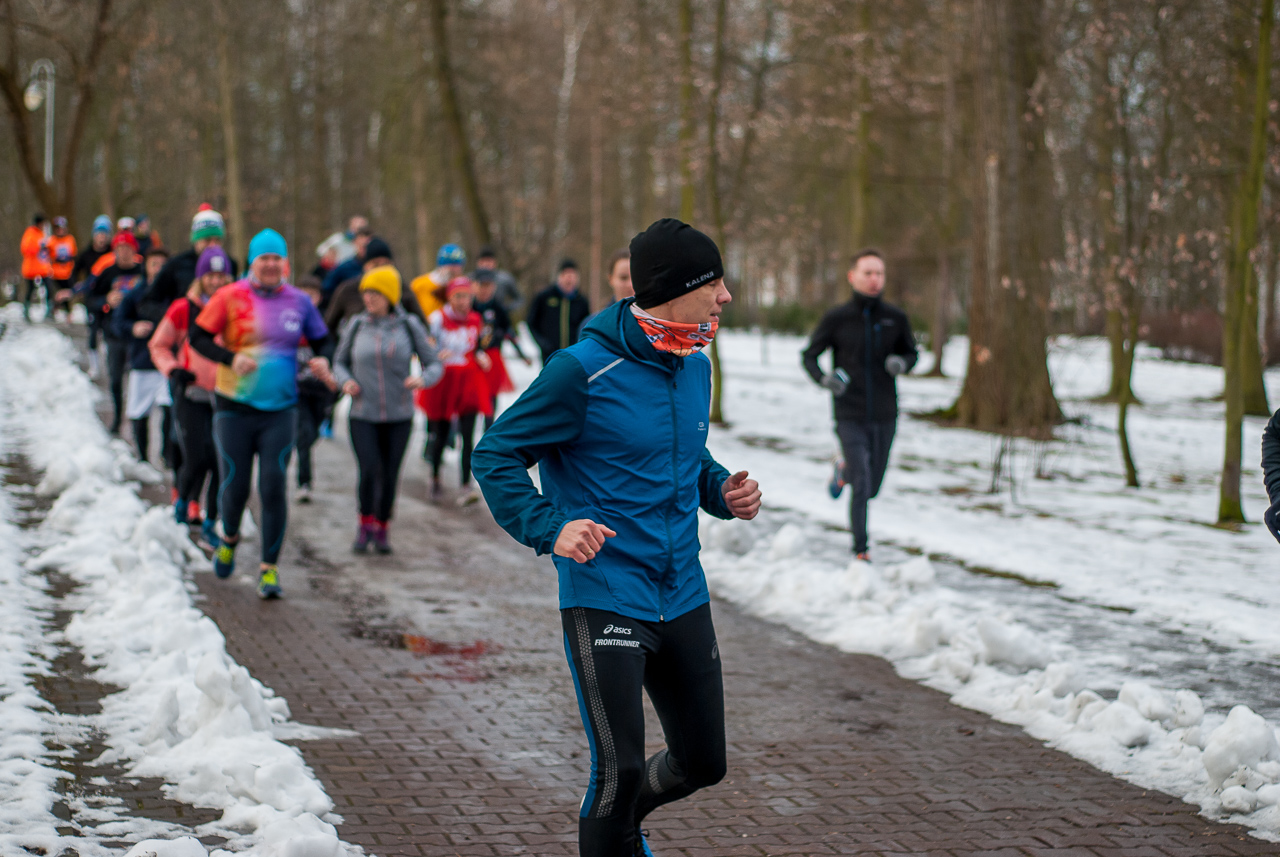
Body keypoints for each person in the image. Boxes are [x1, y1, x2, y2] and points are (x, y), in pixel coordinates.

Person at [473, 218, 761, 857]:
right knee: (619, 770)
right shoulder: (580, 371)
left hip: (681, 588)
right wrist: (552, 526)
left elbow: (688, 458)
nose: (725, 296)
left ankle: (621, 830)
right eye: (713, 282)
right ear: (672, 288)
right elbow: (495, 455)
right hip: (605, 590)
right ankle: (616, 836)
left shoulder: (694, 364)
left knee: (703, 762)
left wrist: (721, 492)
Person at [190, 229, 334, 599]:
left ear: (285, 263)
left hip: (281, 409)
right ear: (253, 262)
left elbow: (323, 339)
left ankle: (269, 570)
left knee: (272, 484)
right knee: (235, 486)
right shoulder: (229, 296)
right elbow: (198, 337)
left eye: (276, 259)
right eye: (263, 259)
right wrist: (229, 358)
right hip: (233, 408)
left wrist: (323, 359)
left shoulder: (299, 302)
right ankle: (229, 537)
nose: (270, 265)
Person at [802, 249, 918, 561]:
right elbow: (809, 355)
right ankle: (861, 550)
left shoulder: (895, 318)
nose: (874, 279)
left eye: (879, 273)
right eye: (867, 273)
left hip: (885, 413)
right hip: (849, 413)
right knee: (863, 483)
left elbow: (912, 353)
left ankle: (843, 471)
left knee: (873, 486)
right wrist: (824, 379)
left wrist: (901, 363)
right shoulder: (837, 318)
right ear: (853, 277)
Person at [334, 266, 442, 552]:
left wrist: (422, 378)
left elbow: (434, 363)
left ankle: (382, 527)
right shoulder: (356, 325)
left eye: (375, 292)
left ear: (390, 295)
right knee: (369, 470)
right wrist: (345, 381)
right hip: (362, 414)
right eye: (366, 292)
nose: (368, 298)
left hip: (399, 416)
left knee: (390, 473)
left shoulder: (409, 326)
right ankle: (364, 524)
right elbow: (339, 362)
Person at [150, 245, 234, 548]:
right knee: (195, 458)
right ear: (200, 277)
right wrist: (173, 369)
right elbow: (158, 344)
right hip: (191, 392)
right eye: (210, 275)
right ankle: (182, 504)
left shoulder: (235, 307)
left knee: (218, 462)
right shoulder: (183, 308)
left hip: (226, 394)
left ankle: (211, 520)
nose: (216, 281)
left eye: (221, 275)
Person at [418, 277, 492, 505]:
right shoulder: (437, 319)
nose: (464, 301)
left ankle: (465, 484)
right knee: (440, 433)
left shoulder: (475, 319)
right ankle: (435, 477)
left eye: (467, 296)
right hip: (443, 381)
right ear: (449, 297)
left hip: (468, 381)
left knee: (468, 434)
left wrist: (481, 356)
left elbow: (476, 346)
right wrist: (434, 356)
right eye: (458, 296)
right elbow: (425, 349)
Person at [114, 247, 175, 466]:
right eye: (154, 264)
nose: (159, 269)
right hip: (142, 362)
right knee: (139, 412)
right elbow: (118, 323)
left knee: (169, 408)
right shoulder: (134, 295)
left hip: (168, 364)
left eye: (163, 265)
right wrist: (133, 327)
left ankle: (167, 454)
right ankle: (142, 457)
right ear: (146, 267)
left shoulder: (174, 295)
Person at [87, 232, 147, 434]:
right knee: (115, 379)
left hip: (138, 335)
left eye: (127, 249)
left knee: (137, 379)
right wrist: (105, 301)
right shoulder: (107, 272)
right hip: (113, 334)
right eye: (119, 249)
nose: (123, 253)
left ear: (134, 250)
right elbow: (89, 299)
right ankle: (117, 418)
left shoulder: (143, 271)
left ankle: (136, 420)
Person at [294, 276, 338, 503]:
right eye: (303, 293)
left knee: (313, 434)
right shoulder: (288, 318)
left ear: (319, 297)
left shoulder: (326, 320)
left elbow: (335, 350)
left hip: (321, 389)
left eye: (312, 294)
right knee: (306, 433)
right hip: (297, 388)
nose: (308, 299)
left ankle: (298, 448)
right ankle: (304, 482)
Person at [323, 237, 427, 333]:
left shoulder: (402, 289)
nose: (381, 269)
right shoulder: (348, 290)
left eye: (386, 264)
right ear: (365, 266)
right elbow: (327, 328)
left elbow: (423, 326)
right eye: (375, 264)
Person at [146, 205, 236, 310]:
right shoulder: (176, 264)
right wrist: (173, 318)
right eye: (207, 240)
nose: (212, 245)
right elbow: (148, 302)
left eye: (217, 240)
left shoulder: (230, 264)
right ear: (196, 240)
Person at [472, 269, 529, 429]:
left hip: (493, 356)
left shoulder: (498, 308)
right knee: (472, 396)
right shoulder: (470, 306)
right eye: (481, 285)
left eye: (488, 286)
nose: (485, 290)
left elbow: (508, 331)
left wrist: (522, 355)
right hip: (473, 357)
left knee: (491, 394)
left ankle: (488, 428)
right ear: (474, 286)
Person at [527, 258, 590, 364]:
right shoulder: (544, 297)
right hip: (550, 356)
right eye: (566, 275)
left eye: (573, 276)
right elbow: (531, 322)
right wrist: (543, 344)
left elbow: (587, 326)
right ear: (559, 276)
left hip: (574, 355)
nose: (569, 279)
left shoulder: (582, 301)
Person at [410, 243, 466, 321]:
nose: (454, 271)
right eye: (450, 267)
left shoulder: (463, 286)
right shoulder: (419, 284)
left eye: (457, 267)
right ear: (440, 266)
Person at [321, 221, 373, 298]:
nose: (364, 249)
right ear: (354, 243)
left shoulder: (380, 266)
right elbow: (326, 289)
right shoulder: (344, 268)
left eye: (367, 245)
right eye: (362, 246)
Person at [44, 217, 78, 321]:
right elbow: (45, 255)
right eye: (58, 228)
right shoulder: (51, 241)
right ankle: (52, 310)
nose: (60, 230)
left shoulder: (70, 239)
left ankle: (68, 314)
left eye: (62, 228)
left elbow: (74, 254)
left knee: (67, 294)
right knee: (56, 294)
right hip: (56, 273)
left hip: (68, 273)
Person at [19, 213, 52, 322]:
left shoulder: (42, 234)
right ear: (38, 223)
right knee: (30, 289)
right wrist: (39, 247)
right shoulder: (30, 233)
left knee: (48, 287)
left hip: (42, 267)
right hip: (30, 268)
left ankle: (49, 310)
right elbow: (25, 248)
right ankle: (26, 310)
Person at [473, 245, 522, 315]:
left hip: (499, 317)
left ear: (495, 262)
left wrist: (507, 308)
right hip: (475, 315)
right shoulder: (471, 278)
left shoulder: (505, 278)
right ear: (478, 262)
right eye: (483, 261)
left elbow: (519, 299)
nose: (486, 264)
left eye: (489, 260)